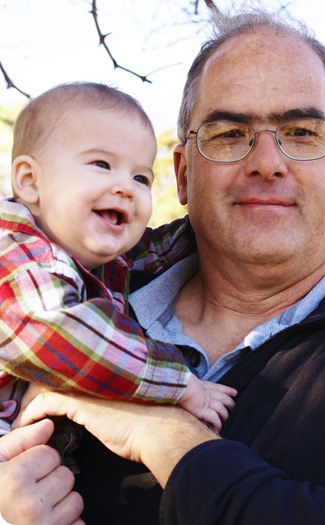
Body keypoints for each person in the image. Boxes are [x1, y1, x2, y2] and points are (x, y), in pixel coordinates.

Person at [2, 5, 325, 525]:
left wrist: (166, 436)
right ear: (184, 176)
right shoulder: (84, 285)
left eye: (301, 131)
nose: (266, 161)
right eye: (228, 134)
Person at [0, 82, 236, 444]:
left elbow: (159, 249)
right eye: (101, 164)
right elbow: (62, 334)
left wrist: (228, 213)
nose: (126, 186)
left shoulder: (97, 258)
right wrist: (179, 382)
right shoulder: (15, 254)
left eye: (140, 177)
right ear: (31, 182)